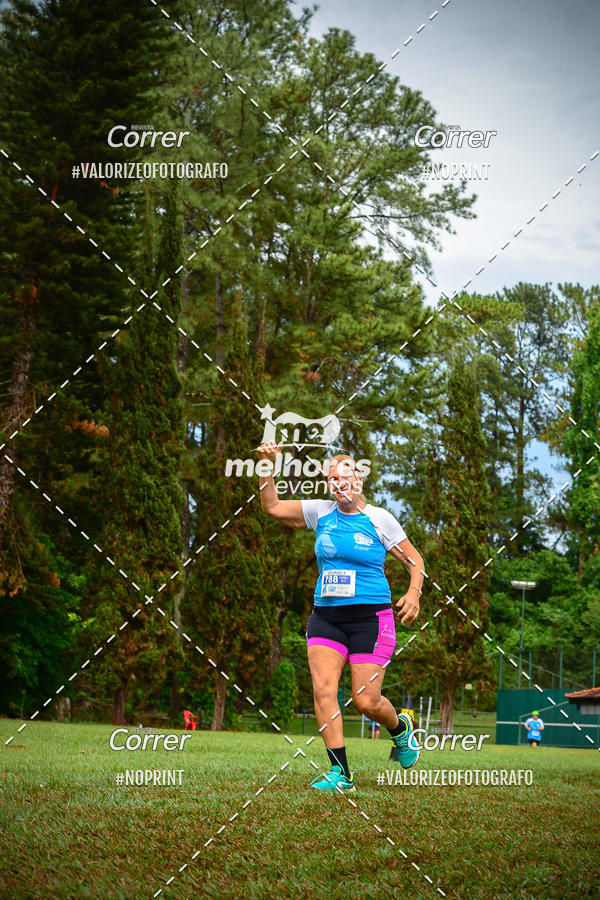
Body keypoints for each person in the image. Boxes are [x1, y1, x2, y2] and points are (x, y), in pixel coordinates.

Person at [257, 441, 425, 792]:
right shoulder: (320, 512)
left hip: (371, 620)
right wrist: (267, 466)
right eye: (332, 479)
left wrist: (414, 591)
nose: (338, 484)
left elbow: (415, 561)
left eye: (345, 477)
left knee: (366, 701)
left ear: (360, 480)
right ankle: (341, 774)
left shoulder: (379, 519)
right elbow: (271, 506)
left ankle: (400, 728)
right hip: (326, 618)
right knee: (323, 690)